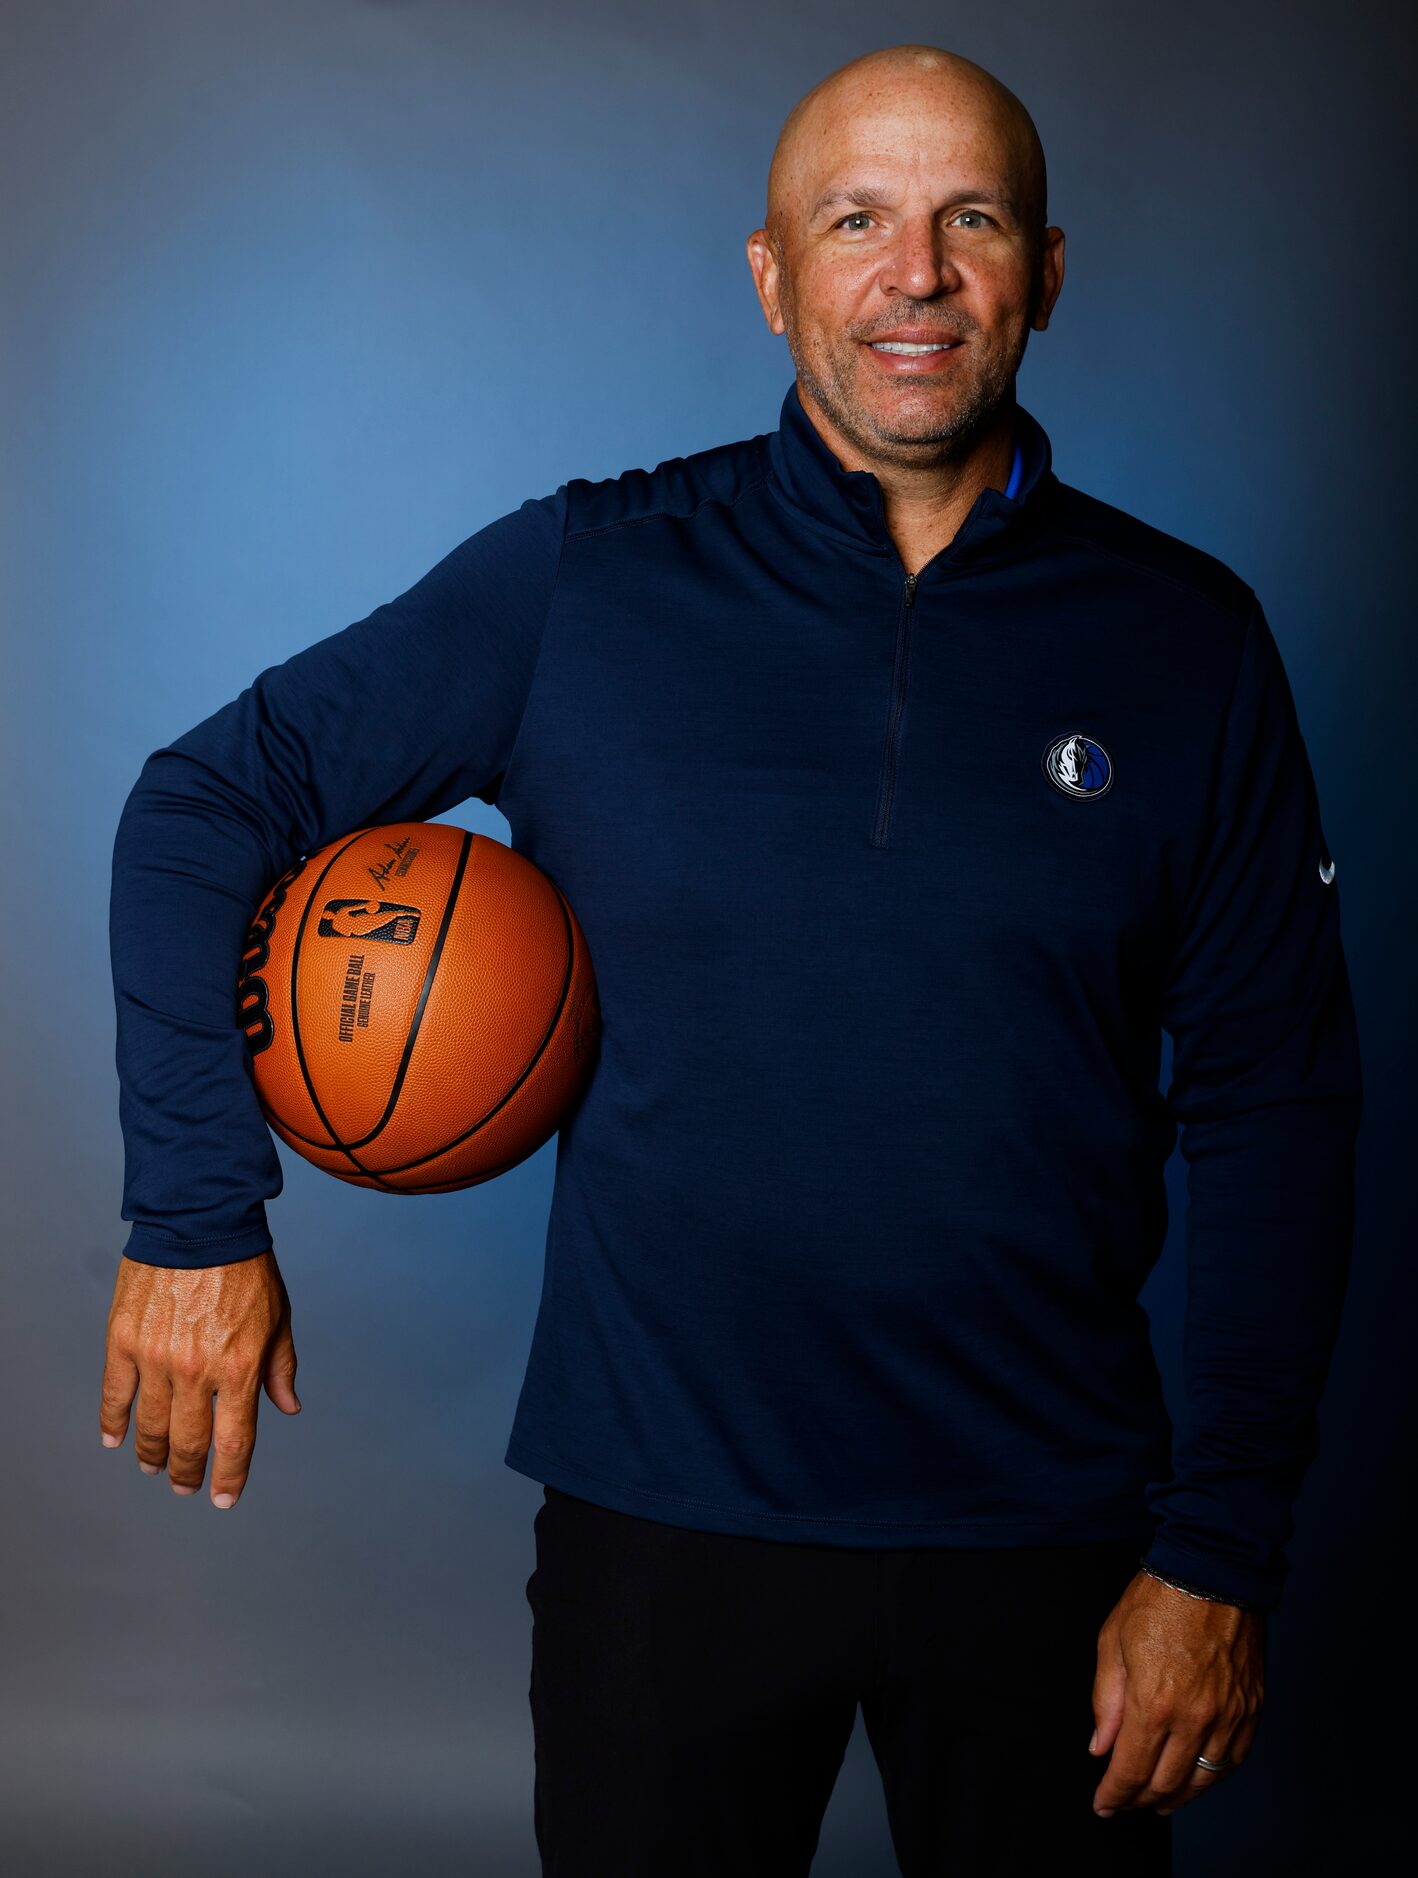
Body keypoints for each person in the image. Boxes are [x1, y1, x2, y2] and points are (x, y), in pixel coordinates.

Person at [100, 41, 1362, 1877]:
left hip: (1061, 1541)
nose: (911, 274)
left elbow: (1278, 1104)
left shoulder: (1189, 642)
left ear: (1049, 271)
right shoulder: (587, 583)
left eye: (968, 219)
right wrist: (193, 1215)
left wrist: (1220, 1551)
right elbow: (203, 802)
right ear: (772, 277)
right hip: (660, 1523)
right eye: (854, 221)